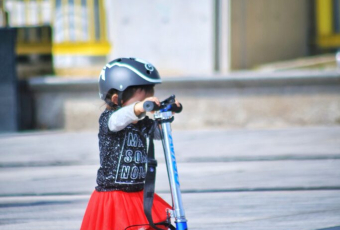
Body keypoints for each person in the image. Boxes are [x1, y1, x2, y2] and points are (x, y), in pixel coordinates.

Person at [81, 57, 178, 230]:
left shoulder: (141, 123)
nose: (143, 108)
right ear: (117, 99)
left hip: (139, 195)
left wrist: (165, 113)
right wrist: (137, 108)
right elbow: (119, 119)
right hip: (114, 198)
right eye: (140, 102)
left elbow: (160, 134)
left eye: (146, 102)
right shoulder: (109, 119)